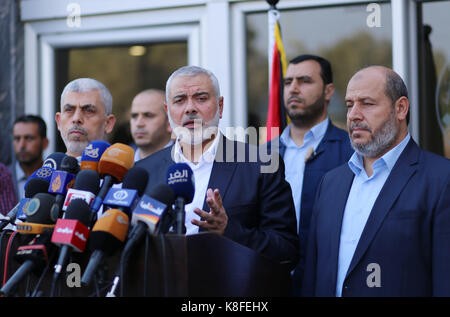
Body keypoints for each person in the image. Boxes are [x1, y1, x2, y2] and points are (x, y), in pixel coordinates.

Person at [302, 66, 450, 297]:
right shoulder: (330, 183)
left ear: (400, 109)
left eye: (367, 103)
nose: (354, 115)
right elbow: (312, 276)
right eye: (350, 104)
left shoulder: (441, 180)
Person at [136, 65, 299, 268]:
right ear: (168, 112)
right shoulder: (143, 171)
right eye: (179, 100)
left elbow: (286, 250)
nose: (190, 108)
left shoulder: (260, 164)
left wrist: (228, 230)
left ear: (220, 107)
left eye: (201, 98)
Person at [266, 54, 353, 295]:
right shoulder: (261, 155)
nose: (293, 89)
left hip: (325, 281)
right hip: (269, 281)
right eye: (287, 82)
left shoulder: (352, 151)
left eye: (304, 81)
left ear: (328, 91)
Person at [55, 78, 116, 159]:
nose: (76, 118)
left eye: (89, 111)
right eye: (69, 110)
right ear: (59, 122)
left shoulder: (125, 171)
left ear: (108, 123)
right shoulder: (48, 170)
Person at [10, 114, 49, 199]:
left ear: (45, 143)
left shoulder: (54, 178)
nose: (21, 145)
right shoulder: (4, 177)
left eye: (29, 138)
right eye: (17, 139)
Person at [129, 89, 173, 162]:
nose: (139, 124)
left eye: (148, 116)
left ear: (170, 122)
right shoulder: (121, 163)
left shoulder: (185, 160)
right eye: (134, 116)